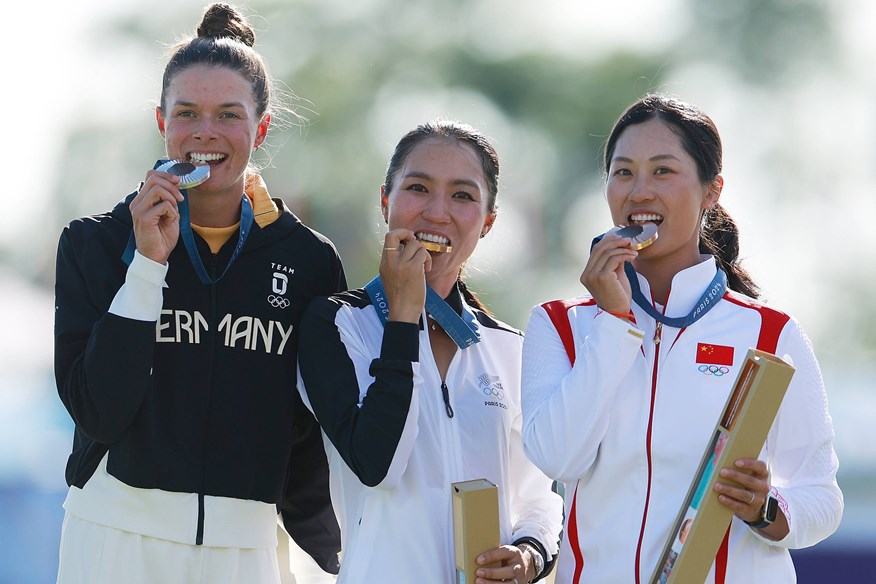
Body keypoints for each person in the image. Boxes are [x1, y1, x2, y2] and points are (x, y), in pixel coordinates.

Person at [53, 4, 345, 583]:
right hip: (117, 537)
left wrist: (337, 558)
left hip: (248, 547)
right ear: (160, 120)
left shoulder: (310, 261)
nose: (204, 132)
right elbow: (98, 411)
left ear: (260, 129)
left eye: (228, 115)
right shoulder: (94, 243)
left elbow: (310, 437)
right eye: (186, 113)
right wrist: (144, 266)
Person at [520, 94, 843, 583]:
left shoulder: (771, 332)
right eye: (623, 172)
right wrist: (613, 320)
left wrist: (765, 508)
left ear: (712, 191)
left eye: (663, 172)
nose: (639, 192)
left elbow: (822, 498)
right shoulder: (560, 325)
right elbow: (559, 458)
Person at [296, 120, 563, 584]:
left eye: (462, 195)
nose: (438, 212)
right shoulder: (337, 324)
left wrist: (529, 555)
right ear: (385, 201)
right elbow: (377, 465)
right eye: (418, 188)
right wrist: (402, 319)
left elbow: (539, 496)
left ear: (489, 223)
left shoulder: (511, 349)